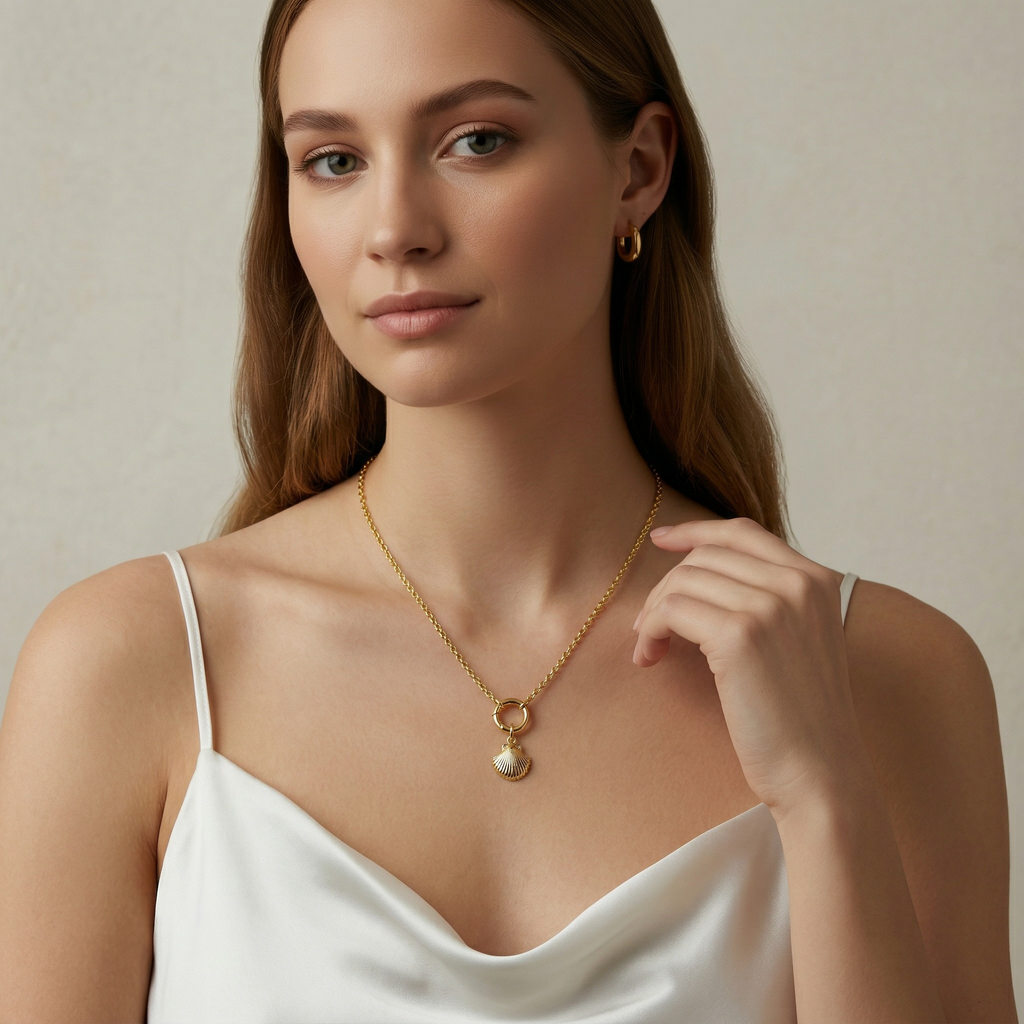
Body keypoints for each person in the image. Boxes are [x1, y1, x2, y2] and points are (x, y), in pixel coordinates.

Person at [0, 0, 1014, 1020]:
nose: (395, 231)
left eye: (475, 141)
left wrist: (825, 797)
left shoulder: (888, 678)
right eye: (334, 160)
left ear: (639, 169)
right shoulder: (129, 667)